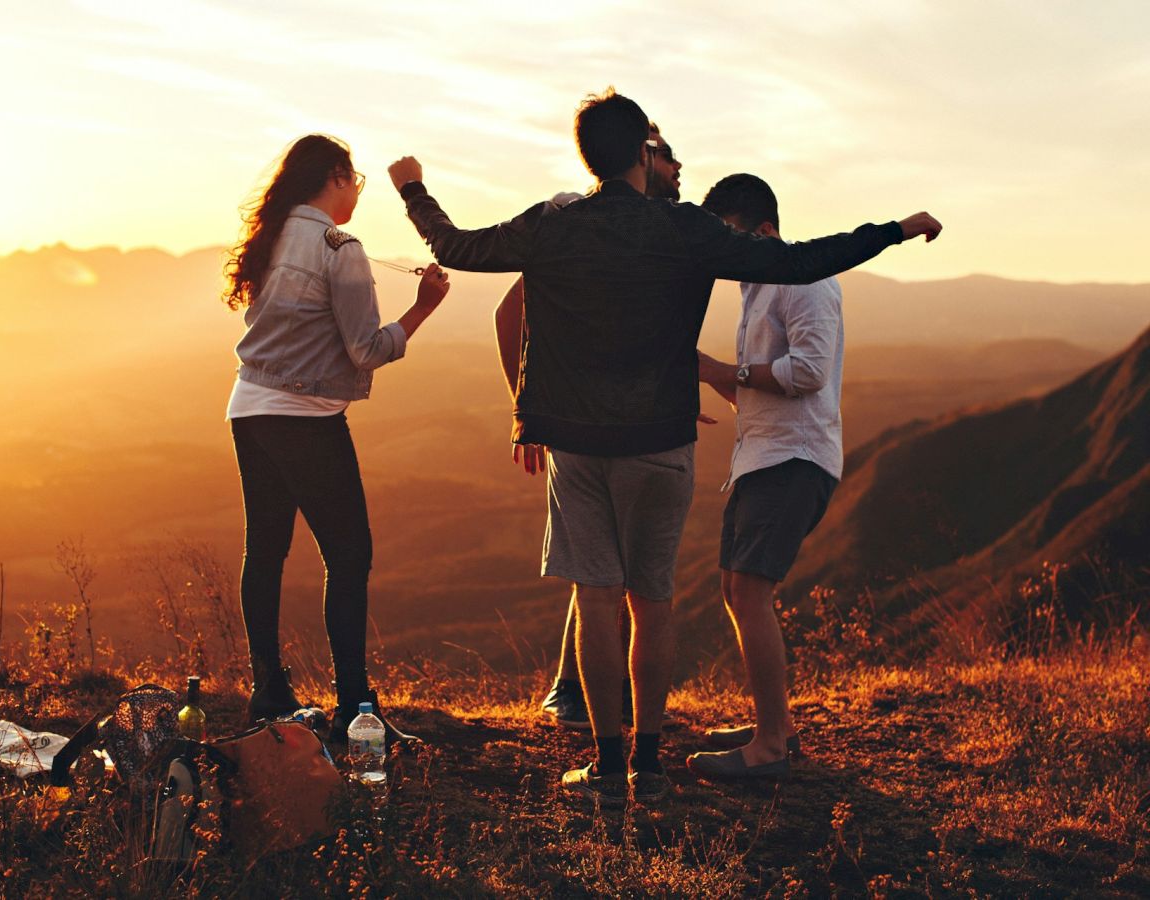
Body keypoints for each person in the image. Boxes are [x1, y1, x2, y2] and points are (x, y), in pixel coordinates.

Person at [387, 88, 940, 806]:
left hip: (579, 443)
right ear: (645, 155)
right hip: (662, 439)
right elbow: (801, 261)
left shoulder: (553, 226)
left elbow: (457, 246)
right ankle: (649, 765)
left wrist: (413, 190)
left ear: (589, 155)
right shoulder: (682, 229)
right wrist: (893, 229)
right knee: (654, 603)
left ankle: (608, 768)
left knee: (597, 599)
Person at [223, 134, 450, 746]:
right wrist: (424, 306)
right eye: (356, 183)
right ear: (336, 178)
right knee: (349, 556)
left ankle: (269, 691)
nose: (357, 195)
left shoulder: (271, 236)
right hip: (306, 417)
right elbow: (367, 349)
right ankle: (356, 708)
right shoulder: (339, 248)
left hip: (249, 407)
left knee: (266, 549)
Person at [494, 124, 685, 732]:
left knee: (608, 571)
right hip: (583, 426)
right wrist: (528, 411)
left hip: (627, 422)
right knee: (601, 573)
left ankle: (594, 704)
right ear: (640, 158)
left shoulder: (651, 233)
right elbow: (510, 311)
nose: (680, 167)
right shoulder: (577, 220)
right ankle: (576, 695)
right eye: (667, 154)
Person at [684, 174, 848, 782]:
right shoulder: (757, 287)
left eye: (726, 234)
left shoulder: (802, 280)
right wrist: (707, 374)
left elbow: (806, 372)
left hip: (794, 460)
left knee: (750, 592)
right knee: (736, 589)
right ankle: (769, 723)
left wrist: (728, 369)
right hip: (762, 457)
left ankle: (771, 746)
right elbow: (756, 387)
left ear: (762, 229)